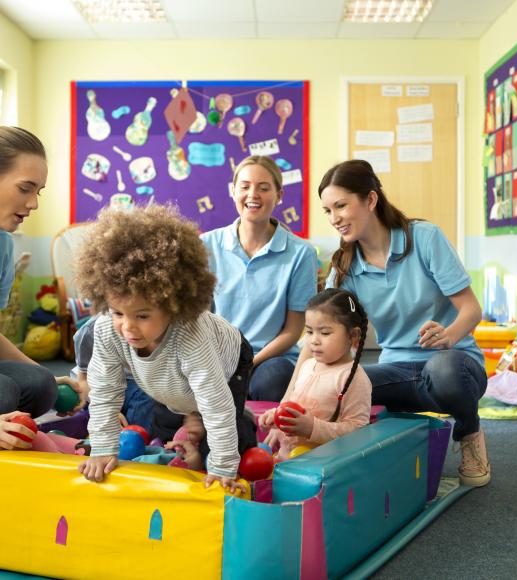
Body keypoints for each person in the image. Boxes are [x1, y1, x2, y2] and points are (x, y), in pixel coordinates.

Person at [316, 159, 490, 487]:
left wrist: (449, 335)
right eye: (327, 210)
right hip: (397, 372)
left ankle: (469, 433)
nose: (334, 218)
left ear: (370, 199)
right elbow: (324, 329)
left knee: (444, 370)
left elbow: (471, 309)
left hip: (455, 367)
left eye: (341, 205)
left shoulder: (424, 238)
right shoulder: (344, 267)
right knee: (338, 383)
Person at [73, 204, 257, 492]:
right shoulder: (108, 328)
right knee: (161, 432)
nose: (128, 327)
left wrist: (222, 466)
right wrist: (102, 448)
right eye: (119, 312)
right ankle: (189, 415)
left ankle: (245, 421)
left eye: (142, 315)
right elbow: (105, 390)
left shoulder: (190, 335)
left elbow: (215, 403)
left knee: (220, 440)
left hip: (226, 364)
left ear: (173, 307)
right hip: (170, 380)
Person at [201, 155, 318, 402]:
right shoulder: (206, 245)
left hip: (270, 360)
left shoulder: (301, 253)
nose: (253, 194)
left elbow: (293, 329)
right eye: (244, 187)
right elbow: (200, 318)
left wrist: (250, 363)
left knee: (275, 379)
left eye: (264, 188)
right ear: (233, 192)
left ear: (279, 195)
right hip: (217, 357)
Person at [0, 126, 76, 444]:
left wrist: (50, 375)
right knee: (4, 392)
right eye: (25, 188)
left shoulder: (4, 246)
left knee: (40, 383)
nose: (33, 204)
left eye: (38, 192)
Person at [259, 288, 371, 458]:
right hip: (286, 459)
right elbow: (296, 405)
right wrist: (277, 418)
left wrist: (312, 428)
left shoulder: (353, 377)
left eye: (325, 333)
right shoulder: (307, 365)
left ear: (353, 335)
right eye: (310, 331)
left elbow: (357, 433)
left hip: (321, 468)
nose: (314, 340)